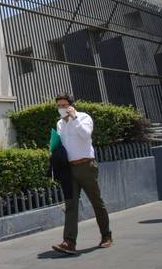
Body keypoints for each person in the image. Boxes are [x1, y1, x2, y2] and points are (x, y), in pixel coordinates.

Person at [51, 94, 112, 255]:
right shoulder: (59, 124)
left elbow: (86, 135)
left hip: (86, 166)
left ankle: (106, 235)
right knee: (70, 205)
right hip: (68, 168)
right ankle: (69, 242)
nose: (61, 108)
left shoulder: (84, 117)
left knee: (96, 202)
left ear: (71, 105)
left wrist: (74, 118)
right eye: (59, 106)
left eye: (64, 105)